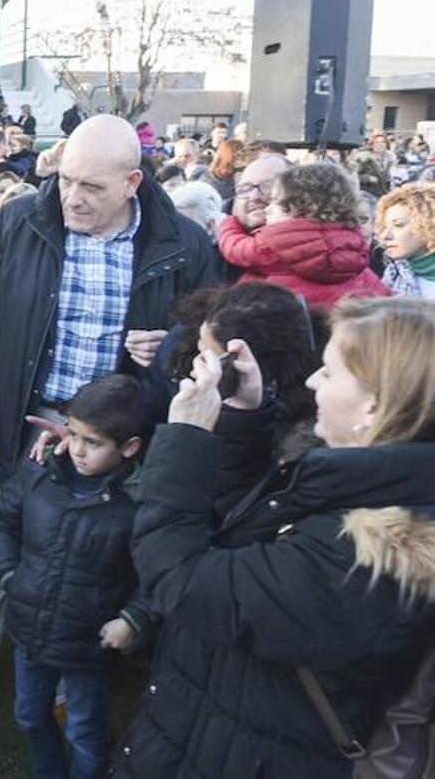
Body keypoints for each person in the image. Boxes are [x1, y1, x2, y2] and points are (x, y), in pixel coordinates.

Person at [0, 114, 219, 738]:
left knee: (99, 562)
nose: (72, 197)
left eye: (91, 186)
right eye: (65, 179)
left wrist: (172, 346)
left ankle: (71, 683)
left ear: (132, 182)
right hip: (23, 419)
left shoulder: (184, 243)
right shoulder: (19, 221)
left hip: (120, 437)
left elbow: (210, 342)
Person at [114, 297, 435, 779]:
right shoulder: (367, 485)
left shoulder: (377, 554)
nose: (313, 381)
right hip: (219, 726)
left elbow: (181, 581)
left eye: (329, 372)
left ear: (373, 405)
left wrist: (185, 437)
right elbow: (256, 531)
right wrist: (246, 419)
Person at [0, 374, 154, 777]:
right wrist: (8, 575)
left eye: (93, 442)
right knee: (29, 715)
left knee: (84, 731)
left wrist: (133, 618)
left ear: (129, 447)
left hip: (88, 645)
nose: (76, 449)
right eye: (73, 433)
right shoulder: (40, 469)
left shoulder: (142, 502)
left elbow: (159, 572)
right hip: (29, 629)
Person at [218, 162, 389, 309]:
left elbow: (235, 247)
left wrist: (228, 222)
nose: (267, 209)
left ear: (298, 208)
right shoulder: (355, 252)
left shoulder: (273, 244)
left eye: (275, 202)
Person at [375, 183, 435, 299]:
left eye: (399, 225)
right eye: (384, 226)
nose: (385, 236)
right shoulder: (393, 276)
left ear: (430, 225)